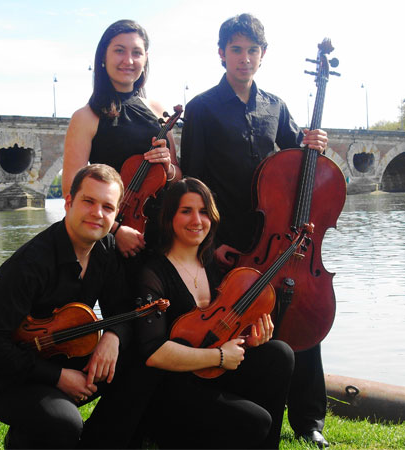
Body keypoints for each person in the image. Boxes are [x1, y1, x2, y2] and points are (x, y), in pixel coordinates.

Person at [180, 13, 330, 449]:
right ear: (222, 54)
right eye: (236, 50)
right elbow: (194, 180)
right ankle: (255, 411)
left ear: (262, 56)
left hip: (280, 239)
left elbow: (296, 163)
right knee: (245, 328)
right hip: (232, 242)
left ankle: (308, 419)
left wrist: (312, 144)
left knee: (302, 319)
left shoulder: (276, 106)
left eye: (252, 51)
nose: (244, 59)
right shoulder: (203, 108)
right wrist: (212, 244)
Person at [0, 164, 133, 449]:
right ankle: (23, 439)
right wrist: (57, 377)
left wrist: (113, 336)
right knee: (62, 422)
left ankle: (98, 441)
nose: (97, 213)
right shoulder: (28, 265)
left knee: (143, 361)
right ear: (69, 203)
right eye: (88, 201)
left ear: (116, 214)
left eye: (107, 207)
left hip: (64, 357)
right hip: (10, 378)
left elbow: (122, 306)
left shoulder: (105, 250)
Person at [134, 177, 294, 449]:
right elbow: (153, 352)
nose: (197, 220)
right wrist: (220, 357)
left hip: (211, 373)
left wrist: (249, 340)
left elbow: (219, 330)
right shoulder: (153, 273)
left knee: (279, 354)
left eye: (204, 212)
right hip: (173, 388)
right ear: (170, 217)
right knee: (255, 422)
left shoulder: (210, 265)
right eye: (186, 211)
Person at [62, 19, 181, 261]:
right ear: (103, 57)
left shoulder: (158, 110)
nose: (128, 60)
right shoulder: (86, 117)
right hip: (118, 240)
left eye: (136, 53)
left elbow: (179, 176)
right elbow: (70, 190)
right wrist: (116, 231)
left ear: (145, 59)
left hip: (168, 235)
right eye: (119, 50)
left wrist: (168, 169)